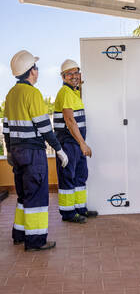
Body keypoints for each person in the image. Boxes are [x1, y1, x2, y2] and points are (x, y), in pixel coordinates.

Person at [3, 50, 68, 251]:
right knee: (37, 197)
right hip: (33, 154)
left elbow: (6, 128)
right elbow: (44, 127)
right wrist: (59, 150)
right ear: (31, 71)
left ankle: (19, 234)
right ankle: (36, 240)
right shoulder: (32, 93)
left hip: (17, 152)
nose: (38, 72)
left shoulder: (11, 94)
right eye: (36, 68)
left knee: (23, 196)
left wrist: (9, 152)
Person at [53, 59, 98, 223]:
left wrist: (80, 82)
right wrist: (82, 143)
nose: (74, 76)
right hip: (68, 143)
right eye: (69, 73)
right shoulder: (65, 93)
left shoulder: (73, 92)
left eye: (76, 72)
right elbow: (70, 121)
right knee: (68, 176)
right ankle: (68, 214)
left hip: (76, 143)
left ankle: (80, 209)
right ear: (63, 77)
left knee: (80, 176)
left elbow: (79, 84)